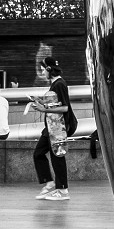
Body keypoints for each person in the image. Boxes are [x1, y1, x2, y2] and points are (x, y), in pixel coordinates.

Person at [29, 56, 76, 200]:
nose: (42, 72)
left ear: (49, 69)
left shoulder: (59, 84)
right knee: (38, 153)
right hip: (51, 126)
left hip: (58, 126)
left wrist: (43, 110)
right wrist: (40, 101)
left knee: (57, 157)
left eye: (44, 69)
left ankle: (62, 190)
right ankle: (49, 183)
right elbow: (55, 103)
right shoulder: (56, 84)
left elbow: (64, 107)